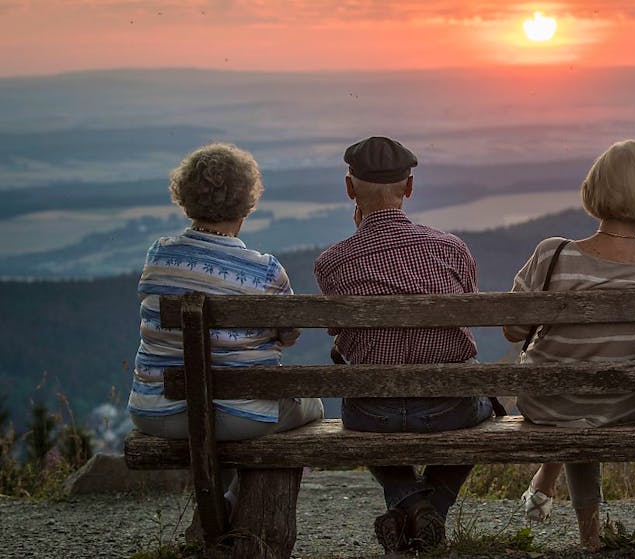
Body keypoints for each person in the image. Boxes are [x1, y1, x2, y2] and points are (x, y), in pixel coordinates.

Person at [503, 139, 635, 550]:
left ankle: (582, 526)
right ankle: (587, 536)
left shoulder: (552, 254)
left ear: (594, 190)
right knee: (591, 393)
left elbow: (513, 330)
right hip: (621, 406)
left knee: (576, 390)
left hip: (545, 403)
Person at [313, 136, 493, 553]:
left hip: (371, 413)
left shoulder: (331, 263)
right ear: (409, 187)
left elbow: (340, 333)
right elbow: (467, 314)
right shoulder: (451, 249)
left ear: (350, 188)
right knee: (489, 406)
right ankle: (432, 508)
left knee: (367, 408)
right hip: (449, 408)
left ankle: (407, 504)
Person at [128, 142, 325, 520]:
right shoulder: (266, 271)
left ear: (186, 197)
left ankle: (214, 512)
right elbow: (289, 334)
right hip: (241, 417)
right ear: (246, 201)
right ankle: (233, 507)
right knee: (309, 407)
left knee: (238, 418)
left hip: (157, 411)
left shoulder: (158, 255)